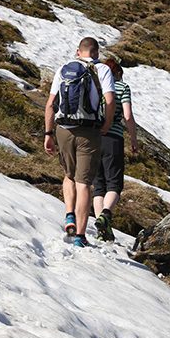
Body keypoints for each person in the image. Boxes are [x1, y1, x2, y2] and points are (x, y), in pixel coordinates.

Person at [44, 37, 115, 248]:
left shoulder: (63, 69)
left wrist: (48, 134)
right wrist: (107, 125)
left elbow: (50, 105)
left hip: (63, 130)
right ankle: (80, 236)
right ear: (97, 53)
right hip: (89, 132)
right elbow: (110, 100)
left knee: (68, 176)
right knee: (84, 183)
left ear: (78, 52)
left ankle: (69, 216)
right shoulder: (102, 70)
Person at [92, 59, 138, 242]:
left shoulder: (95, 86)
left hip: (93, 138)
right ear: (118, 73)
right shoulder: (121, 87)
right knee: (114, 184)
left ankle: (100, 226)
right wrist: (133, 138)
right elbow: (127, 115)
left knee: (98, 185)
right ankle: (105, 215)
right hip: (113, 138)